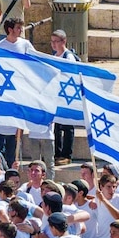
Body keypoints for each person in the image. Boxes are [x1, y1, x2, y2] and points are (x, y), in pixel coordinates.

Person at [50, 30, 78, 165]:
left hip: (68, 96)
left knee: (67, 126)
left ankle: (67, 154)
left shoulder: (68, 57)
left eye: (56, 41)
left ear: (63, 41)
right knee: (57, 126)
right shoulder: (55, 56)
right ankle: (57, 153)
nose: (54, 45)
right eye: (52, 42)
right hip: (57, 96)